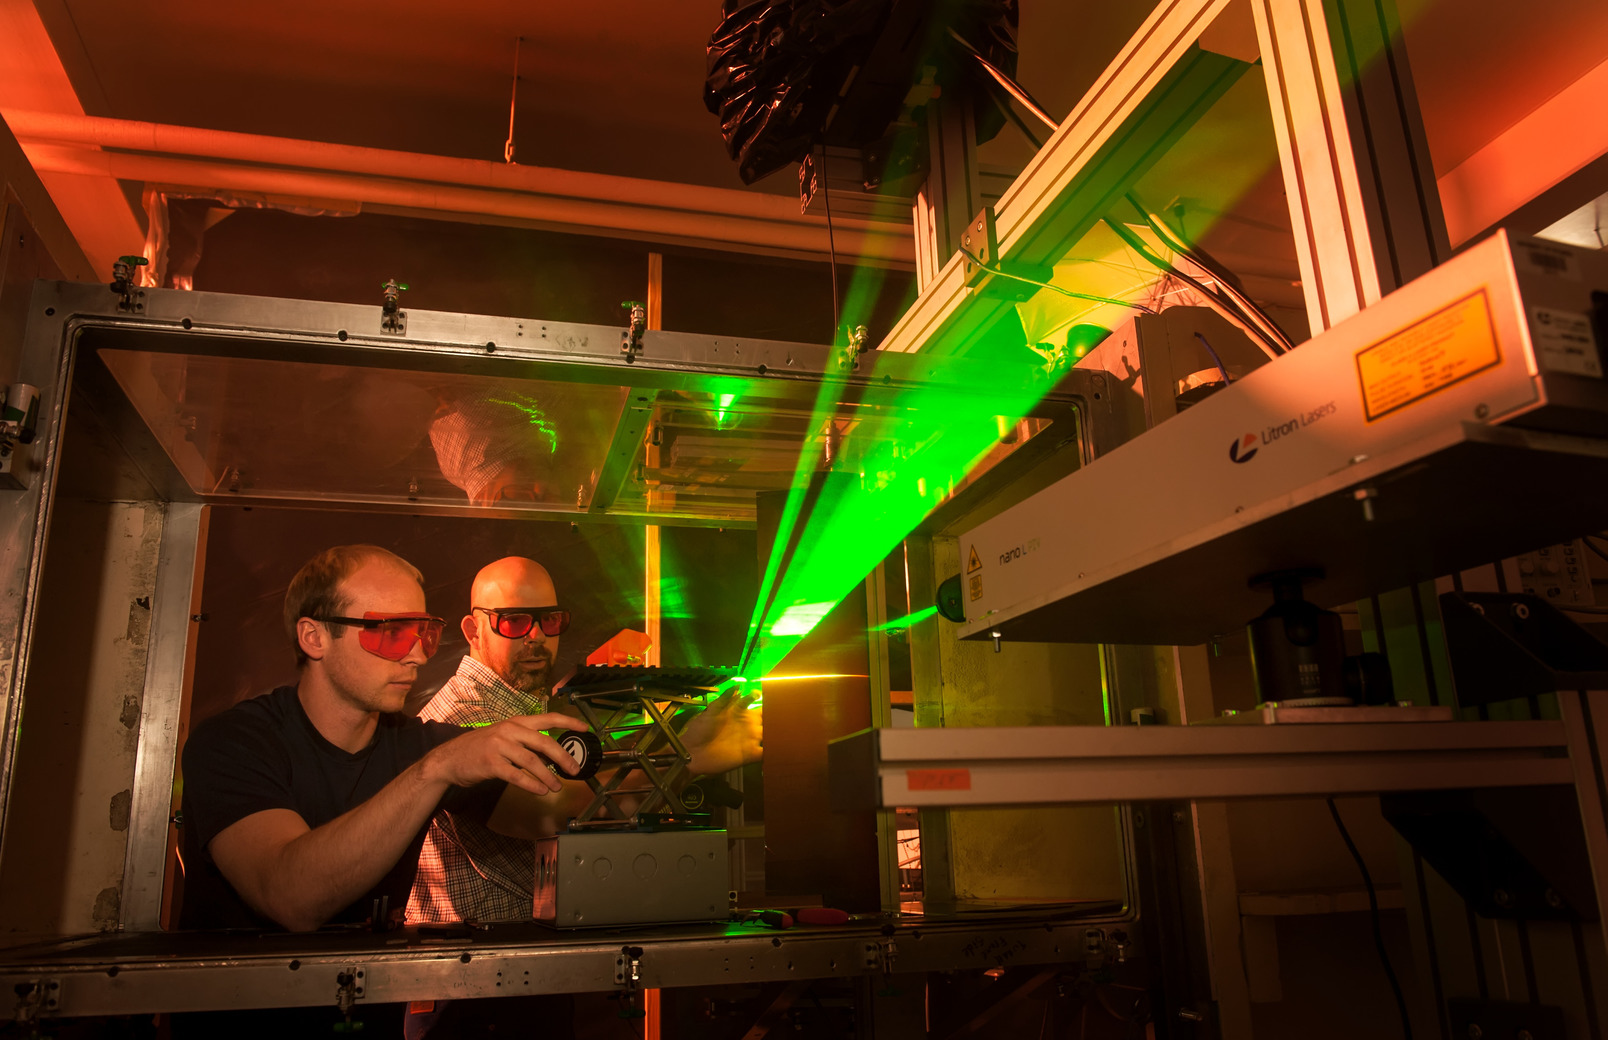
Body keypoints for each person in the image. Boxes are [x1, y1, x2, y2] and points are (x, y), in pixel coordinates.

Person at [179, 544, 589, 936]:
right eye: (391, 633)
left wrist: (640, 761)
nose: (418, 655)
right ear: (314, 637)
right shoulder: (232, 743)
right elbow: (290, 898)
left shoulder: (416, 744)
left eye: (424, 633)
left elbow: (552, 811)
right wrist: (434, 772)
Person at [407, 555, 762, 924]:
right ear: (472, 630)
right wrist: (689, 757)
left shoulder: (523, 708)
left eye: (550, 620)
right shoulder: (461, 718)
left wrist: (687, 740)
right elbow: (561, 810)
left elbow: (590, 773)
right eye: (514, 621)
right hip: (476, 964)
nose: (537, 636)